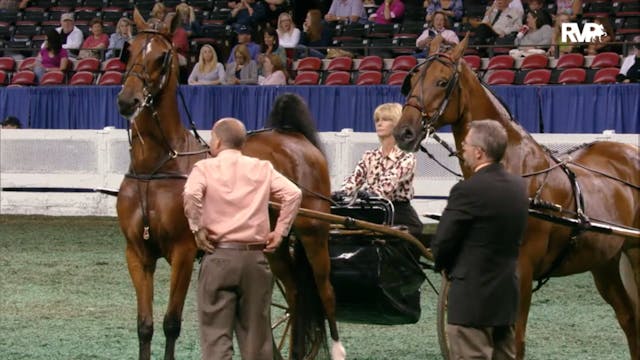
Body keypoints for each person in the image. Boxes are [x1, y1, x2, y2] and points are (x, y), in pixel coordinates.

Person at [184, 117, 302, 360]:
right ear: (243, 142)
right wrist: (279, 232)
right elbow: (293, 194)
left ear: (216, 141)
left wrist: (197, 228)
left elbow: (191, 193)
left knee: (216, 340)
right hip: (255, 260)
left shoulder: (204, 168)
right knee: (257, 343)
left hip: (219, 257)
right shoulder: (262, 167)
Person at [431, 119, 528, 360]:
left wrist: (442, 264)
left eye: (465, 144)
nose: (462, 148)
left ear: (479, 152)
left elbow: (443, 242)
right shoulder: (519, 187)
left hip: (471, 300)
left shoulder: (467, 190)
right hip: (505, 297)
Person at [338, 103, 423, 239]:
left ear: (397, 124)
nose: (379, 123)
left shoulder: (407, 157)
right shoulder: (369, 156)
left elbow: (388, 184)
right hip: (371, 210)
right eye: (377, 120)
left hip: (399, 214)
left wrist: (370, 193)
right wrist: (341, 193)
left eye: (385, 119)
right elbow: (355, 179)